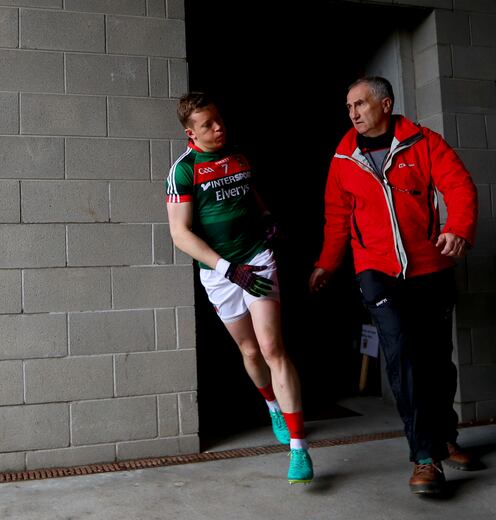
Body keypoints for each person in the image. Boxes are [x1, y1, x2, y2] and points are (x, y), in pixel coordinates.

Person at [310, 76, 479, 495]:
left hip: (431, 267)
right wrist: (326, 265)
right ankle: (425, 458)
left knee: (438, 360)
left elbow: (458, 186)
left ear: (385, 105)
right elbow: (337, 220)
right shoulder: (344, 158)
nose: (353, 113)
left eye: (360, 104)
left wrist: (458, 227)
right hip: (377, 270)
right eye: (349, 106)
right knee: (402, 356)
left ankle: (445, 438)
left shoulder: (423, 143)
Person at [166, 92, 313, 484]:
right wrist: (231, 270)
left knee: (271, 347)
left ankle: (298, 449)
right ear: (190, 133)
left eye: (220, 121)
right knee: (249, 350)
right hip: (220, 271)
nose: (219, 128)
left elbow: (249, 190)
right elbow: (179, 235)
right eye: (209, 125)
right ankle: (273, 407)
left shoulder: (238, 156)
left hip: (256, 258)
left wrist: (265, 217)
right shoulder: (183, 170)